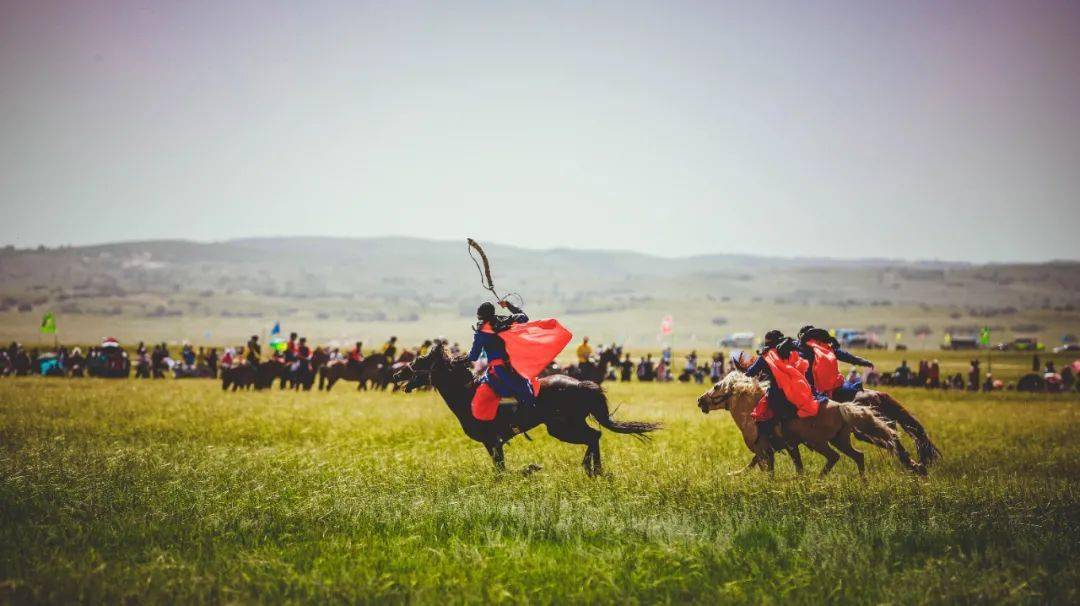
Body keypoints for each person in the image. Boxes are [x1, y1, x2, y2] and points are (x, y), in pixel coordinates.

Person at [743, 330, 826, 448]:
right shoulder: (791, 352)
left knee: (764, 418)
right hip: (799, 387)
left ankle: (779, 441)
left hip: (777, 393)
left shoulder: (766, 356)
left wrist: (741, 376)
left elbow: (751, 372)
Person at [468, 300, 534, 422]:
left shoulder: (481, 332)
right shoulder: (507, 321)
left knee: (521, 394)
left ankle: (519, 421)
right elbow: (524, 317)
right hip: (516, 365)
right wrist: (508, 305)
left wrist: (462, 358)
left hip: (500, 370)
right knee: (526, 389)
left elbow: (473, 357)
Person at [797, 326, 874, 402]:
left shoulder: (805, 351)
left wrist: (863, 362)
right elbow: (846, 356)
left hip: (824, 388)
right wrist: (863, 362)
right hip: (832, 385)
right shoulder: (825, 347)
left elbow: (846, 357)